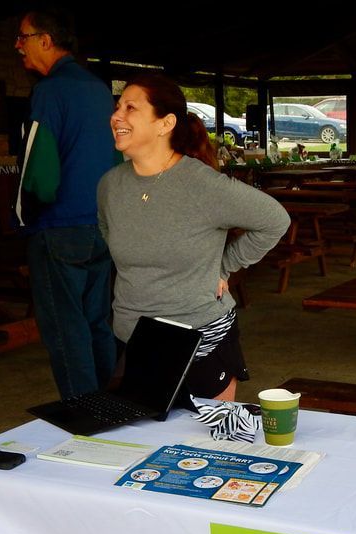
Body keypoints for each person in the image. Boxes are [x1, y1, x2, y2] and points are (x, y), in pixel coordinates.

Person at [97, 74, 288, 402]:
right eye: (117, 107)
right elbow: (108, 231)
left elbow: (274, 220)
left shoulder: (202, 185)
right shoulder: (110, 185)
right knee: (147, 446)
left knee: (206, 448)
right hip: (134, 339)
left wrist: (223, 266)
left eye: (131, 108)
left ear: (165, 123)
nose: (117, 116)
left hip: (199, 337)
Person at [14, 8, 116, 399]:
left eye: (23, 37)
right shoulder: (98, 89)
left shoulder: (49, 91)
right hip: (100, 223)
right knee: (95, 322)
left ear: (46, 40)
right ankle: (109, 408)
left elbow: (37, 170)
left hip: (59, 227)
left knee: (65, 329)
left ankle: (86, 419)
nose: (17, 46)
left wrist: (25, 218)